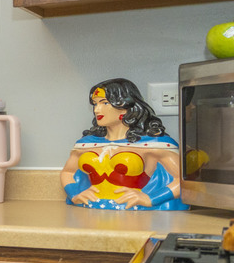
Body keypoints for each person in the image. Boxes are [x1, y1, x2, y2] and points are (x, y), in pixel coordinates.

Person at [60, 78, 187, 210]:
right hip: (90, 212)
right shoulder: (86, 144)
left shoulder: (154, 144)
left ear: (125, 108)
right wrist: (75, 194)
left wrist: (151, 199)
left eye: (105, 103)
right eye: (95, 104)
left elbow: (184, 181)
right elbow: (68, 172)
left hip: (137, 216)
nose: (97, 110)